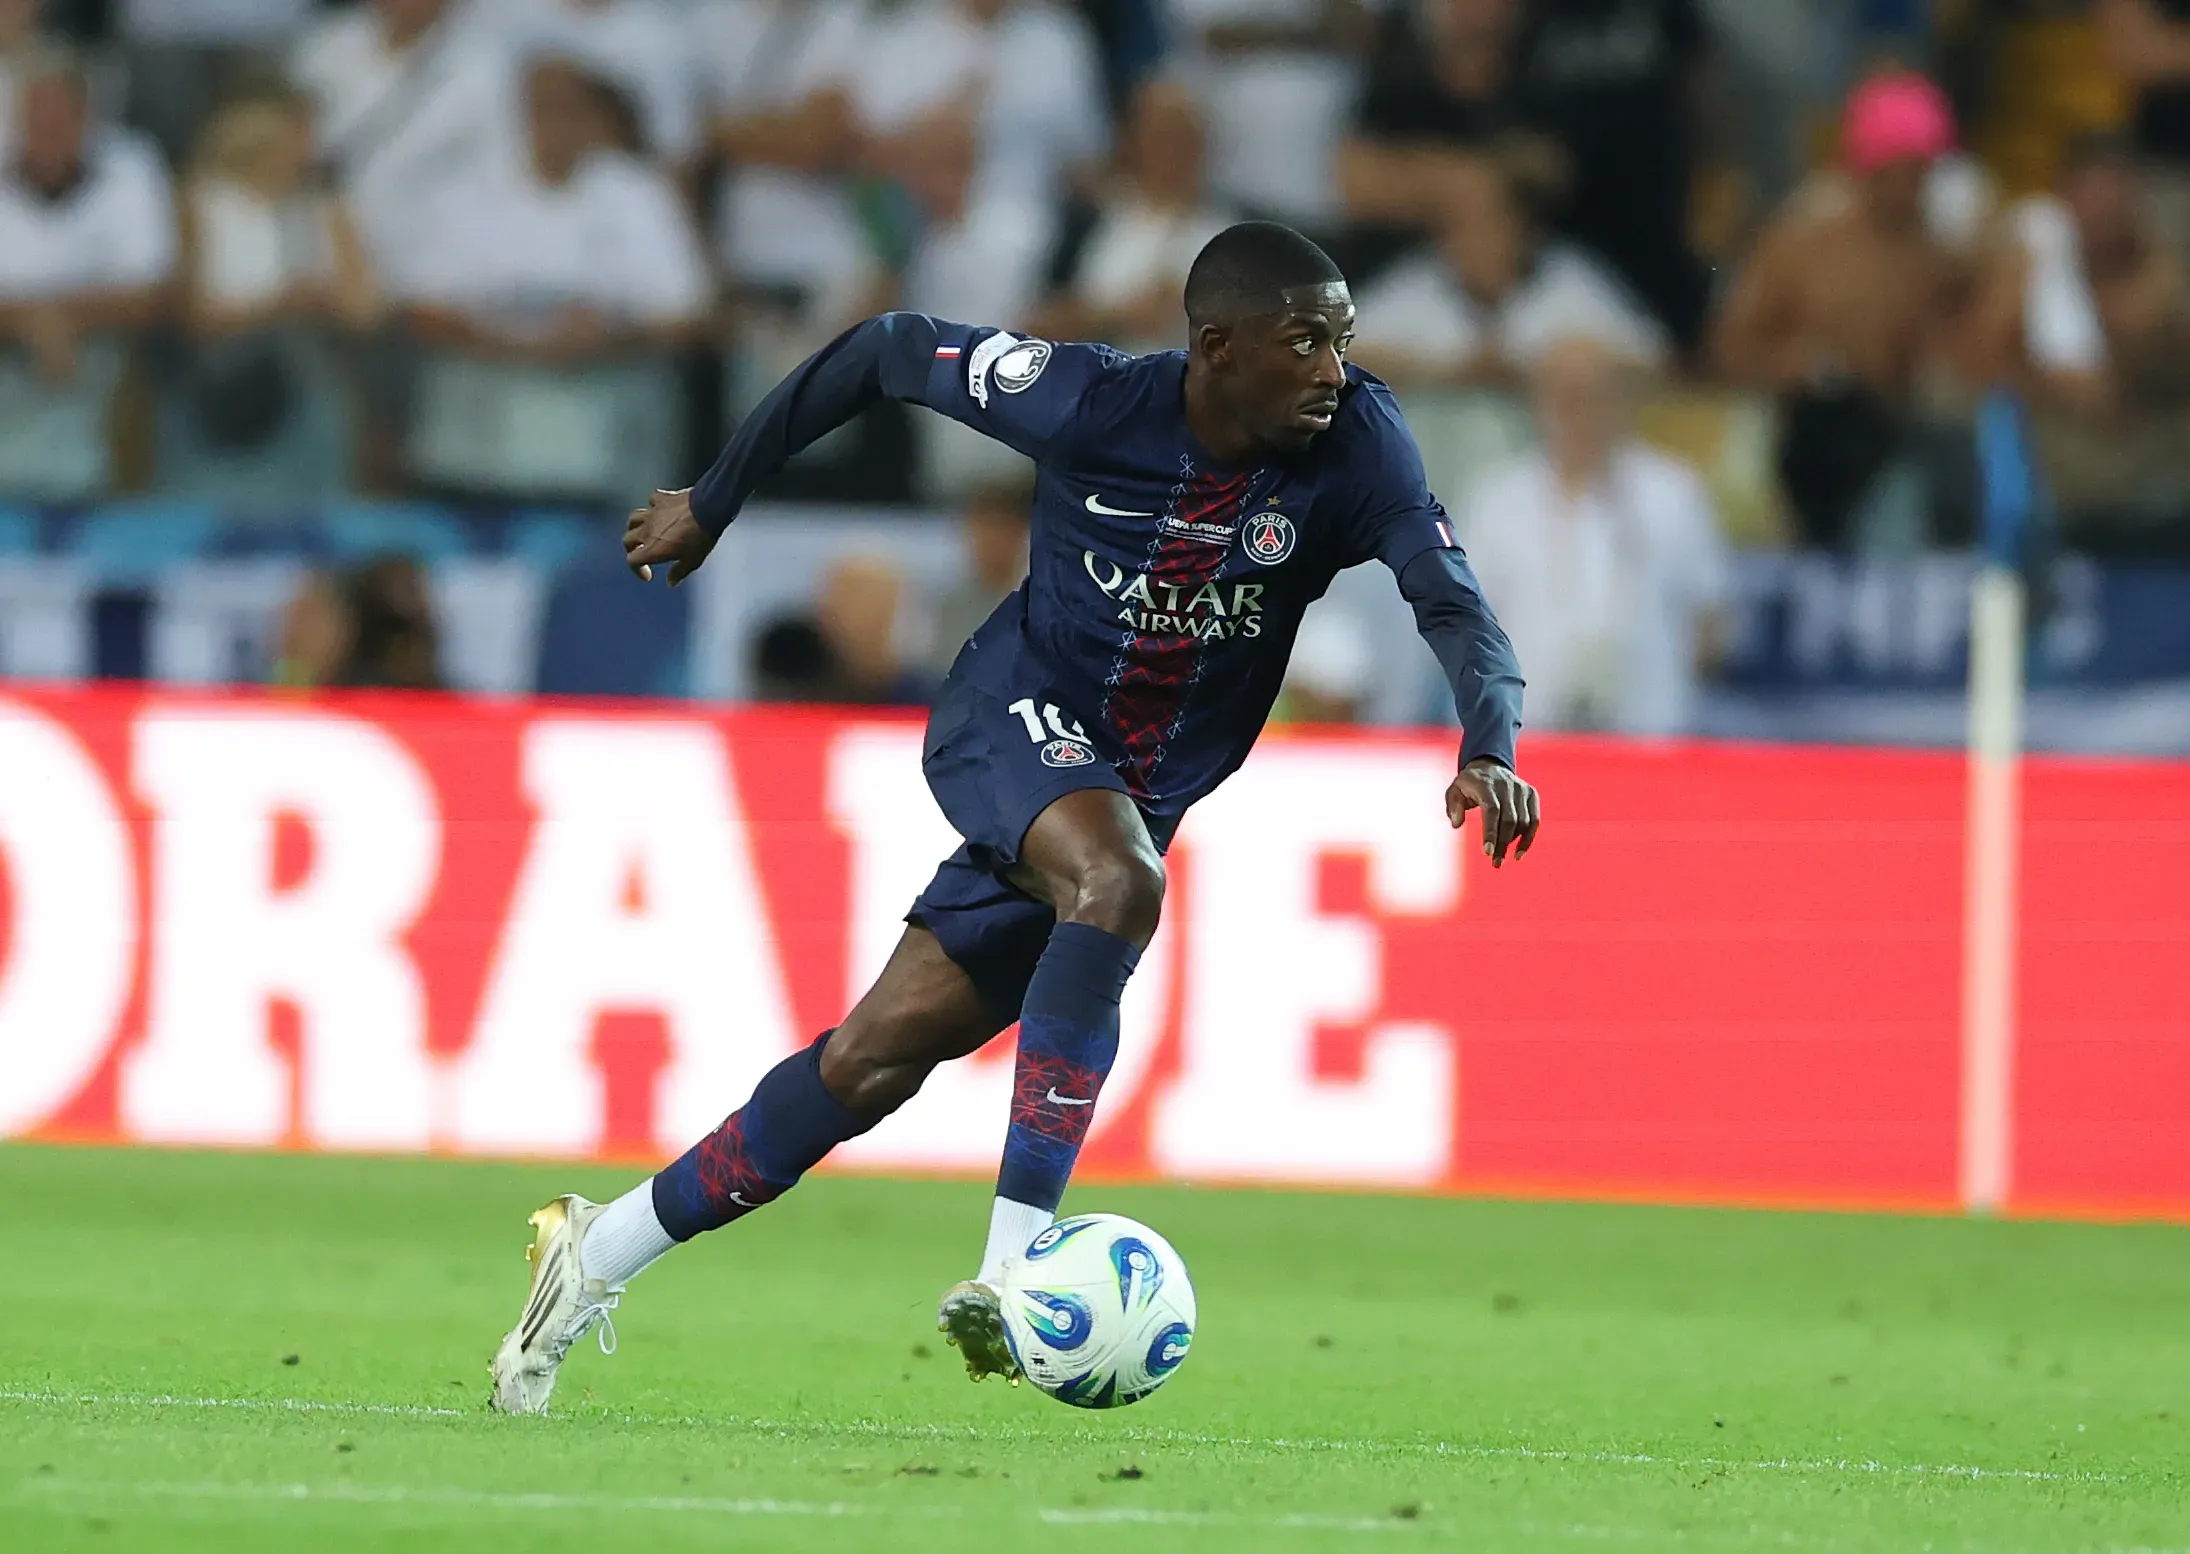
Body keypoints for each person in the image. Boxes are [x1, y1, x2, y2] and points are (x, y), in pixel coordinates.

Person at [485, 220, 1540, 1413]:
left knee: (871, 1062)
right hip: (1011, 714)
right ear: (1216, 347)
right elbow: (888, 349)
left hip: (1127, 790)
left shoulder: (1358, 445)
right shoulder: (1085, 399)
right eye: (1305, 342)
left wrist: (1488, 742)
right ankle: (1012, 1271)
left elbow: (1454, 603)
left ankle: (595, 1251)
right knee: (1121, 883)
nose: (1334, 372)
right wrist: (716, 501)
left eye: (1343, 342)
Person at [1710, 69, 1970, 550]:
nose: (1912, 188)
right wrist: (1788, 366)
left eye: (1922, 173)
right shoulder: (1801, 245)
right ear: (1869, 167)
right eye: (1902, 171)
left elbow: (1953, 363)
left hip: (1889, 449)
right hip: (1796, 441)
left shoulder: (1941, 261)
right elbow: (1732, 345)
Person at [1459, 335, 1727, 735]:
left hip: (1648, 740)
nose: (1580, 411)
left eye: (1594, 395)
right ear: (1539, 403)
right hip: (1526, 743)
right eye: (1566, 395)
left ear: (1622, 402)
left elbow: (1711, 623)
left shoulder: (1673, 493)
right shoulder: (1496, 500)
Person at [1349, 138, 1668, 386]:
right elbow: (1340, 355)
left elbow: (1653, 362)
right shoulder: (1419, 280)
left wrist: (1533, 369)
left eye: (1488, 222)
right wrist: (1448, 370)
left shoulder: (1568, 277)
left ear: (1522, 226)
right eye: (1459, 224)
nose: (1474, 239)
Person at [0, 47, 174, 502]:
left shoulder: (131, 166)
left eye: (63, 115)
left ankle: (107, 502)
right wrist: (30, 324)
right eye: (36, 114)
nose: (48, 128)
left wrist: (56, 321)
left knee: (119, 361)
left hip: (105, 347)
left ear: (87, 119)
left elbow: (152, 292)